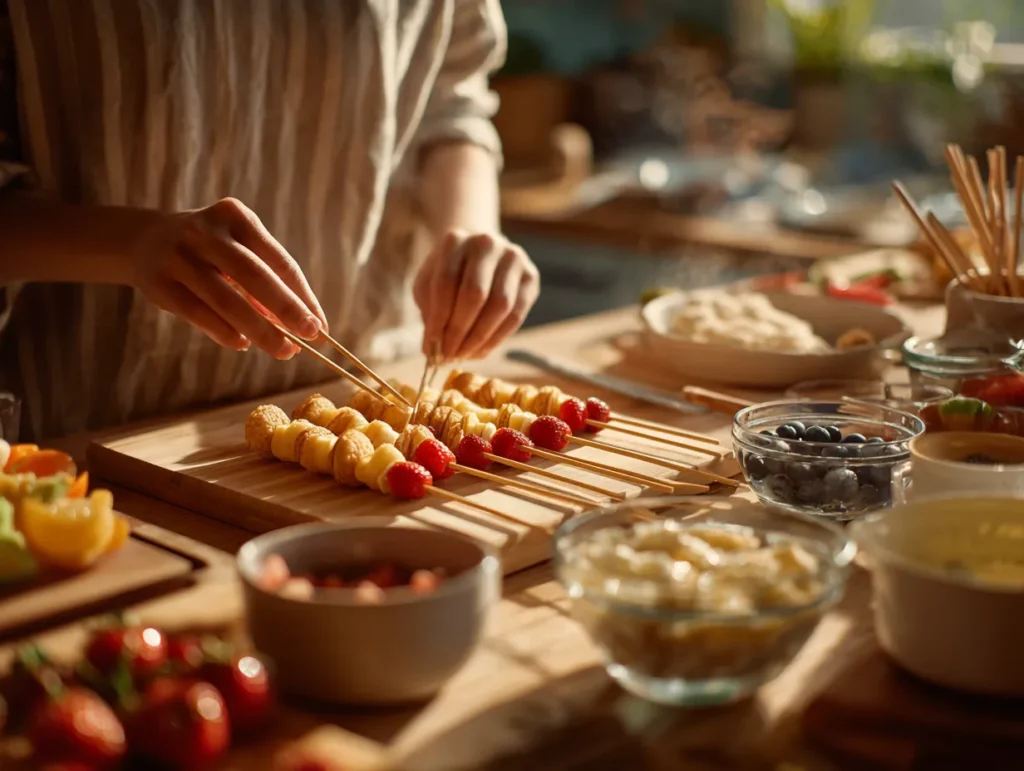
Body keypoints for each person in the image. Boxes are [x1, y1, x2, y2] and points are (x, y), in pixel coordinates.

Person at [0, 0, 539, 441]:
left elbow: (451, 104)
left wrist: (471, 227)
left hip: (376, 393)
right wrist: (132, 245)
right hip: (86, 434)